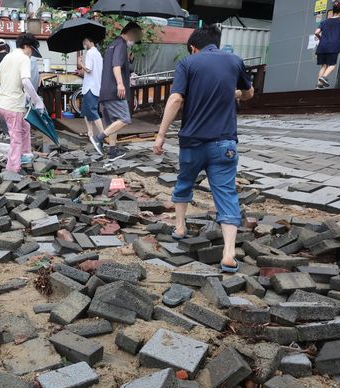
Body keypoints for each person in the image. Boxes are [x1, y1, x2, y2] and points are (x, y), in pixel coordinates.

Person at [153, 24, 254, 273]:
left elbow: (176, 99)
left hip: (193, 142)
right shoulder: (234, 61)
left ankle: (179, 227)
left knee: (184, 182)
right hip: (225, 143)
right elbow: (250, 93)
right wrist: (237, 94)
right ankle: (229, 253)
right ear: (216, 43)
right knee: (226, 194)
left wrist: (161, 134)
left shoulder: (188, 64)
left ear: (193, 47)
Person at [0, 33, 45, 173]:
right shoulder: (24, 58)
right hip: (13, 107)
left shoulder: (8, 57)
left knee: (25, 126)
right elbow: (26, 81)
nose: (31, 54)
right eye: (32, 50)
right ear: (27, 46)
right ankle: (12, 169)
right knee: (16, 138)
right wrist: (38, 101)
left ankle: (25, 154)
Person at [90, 21, 142, 161]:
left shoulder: (113, 45)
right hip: (115, 91)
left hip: (105, 91)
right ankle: (98, 138)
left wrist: (128, 59)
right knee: (124, 119)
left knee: (113, 122)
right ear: (130, 33)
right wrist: (120, 84)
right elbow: (116, 66)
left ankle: (112, 151)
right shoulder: (121, 45)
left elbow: (116, 64)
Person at [315, 1, 340, 89]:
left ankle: (319, 85)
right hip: (333, 45)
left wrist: (321, 38)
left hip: (322, 46)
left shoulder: (325, 21)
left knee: (323, 66)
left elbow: (316, 32)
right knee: (332, 65)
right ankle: (324, 77)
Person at [78, 36, 104, 141]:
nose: (84, 45)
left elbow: (88, 69)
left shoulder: (90, 53)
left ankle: (102, 134)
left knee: (92, 111)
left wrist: (80, 64)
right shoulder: (98, 54)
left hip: (90, 87)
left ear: (89, 41)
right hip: (95, 86)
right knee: (86, 111)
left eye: (85, 42)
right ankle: (90, 133)